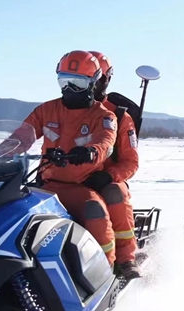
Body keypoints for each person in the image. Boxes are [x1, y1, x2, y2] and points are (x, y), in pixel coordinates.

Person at [20, 50, 118, 266]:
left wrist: (90, 152)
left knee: (96, 211)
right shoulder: (46, 110)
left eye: (77, 83)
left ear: (93, 82)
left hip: (79, 187)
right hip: (44, 185)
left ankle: (105, 268)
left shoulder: (104, 116)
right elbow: (20, 137)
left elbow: (105, 143)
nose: (69, 89)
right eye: (64, 81)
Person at [85, 51, 142, 279]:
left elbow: (131, 161)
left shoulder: (119, 116)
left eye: (96, 78)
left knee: (115, 194)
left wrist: (109, 175)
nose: (90, 84)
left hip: (103, 179)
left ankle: (125, 258)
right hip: (66, 178)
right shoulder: (63, 111)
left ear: (106, 78)